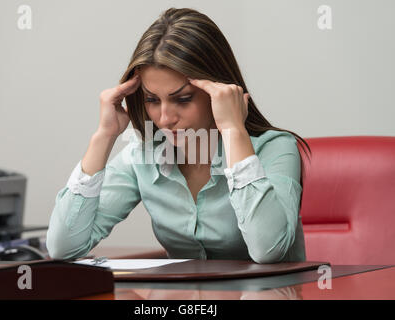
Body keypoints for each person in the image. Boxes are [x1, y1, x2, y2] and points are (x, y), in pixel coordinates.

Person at [46, 7, 311, 263]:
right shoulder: (143, 157)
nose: (165, 118)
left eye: (183, 99)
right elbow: (63, 247)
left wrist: (233, 131)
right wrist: (104, 136)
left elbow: (268, 249)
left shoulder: (276, 149)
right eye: (152, 99)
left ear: (218, 89)